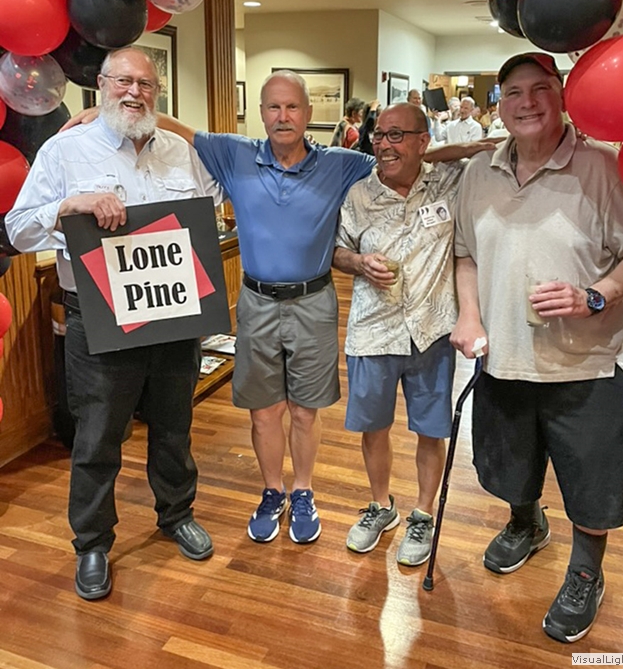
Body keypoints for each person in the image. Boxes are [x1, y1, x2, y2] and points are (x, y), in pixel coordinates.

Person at [62, 71, 499, 549]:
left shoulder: (341, 163)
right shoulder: (235, 154)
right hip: (256, 303)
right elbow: (181, 130)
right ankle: (273, 492)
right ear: (262, 113)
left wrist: (475, 147)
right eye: (273, 107)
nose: (283, 116)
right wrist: (109, 113)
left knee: (306, 412)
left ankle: (304, 492)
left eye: (292, 107)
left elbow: (406, 156)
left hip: (314, 302)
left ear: (308, 114)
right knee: (264, 412)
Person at [450, 52, 623, 643]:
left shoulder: (602, 168)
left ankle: (586, 573)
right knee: (510, 464)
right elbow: (465, 254)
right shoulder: (479, 172)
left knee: (593, 483)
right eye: (513, 92)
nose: (527, 103)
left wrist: (595, 296)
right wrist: (469, 314)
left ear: (563, 95)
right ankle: (527, 523)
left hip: (589, 365)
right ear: (499, 105)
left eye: (540, 88)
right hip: (503, 356)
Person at [5, 48, 222, 601]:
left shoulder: (182, 153)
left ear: (157, 93)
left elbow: (211, 214)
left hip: (172, 317)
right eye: (123, 81)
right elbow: (18, 228)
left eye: (145, 84)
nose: (134, 92)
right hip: (99, 318)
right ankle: (93, 542)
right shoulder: (65, 151)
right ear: (101, 85)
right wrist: (69, 206)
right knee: (98, 435)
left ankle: (177, 515)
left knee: (174, 426)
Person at [333, 102, 470, 567]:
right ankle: (381, 506)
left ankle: (423, 514)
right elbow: (336, 250)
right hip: (373, 330)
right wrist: (358, 263)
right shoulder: (358, 194)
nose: (384, 145)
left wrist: (469, 146)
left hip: (432, 331)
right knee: (374, 427)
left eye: (396, 135)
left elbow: (493, 154)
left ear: (422, 141)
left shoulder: (450, 182)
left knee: (431, 430)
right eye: (379, 135)